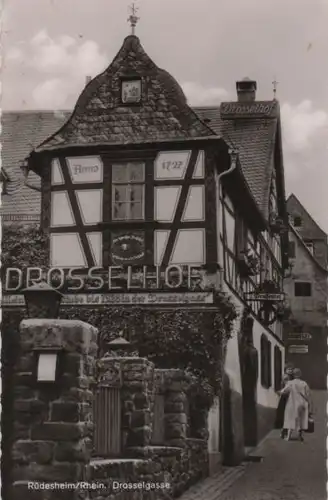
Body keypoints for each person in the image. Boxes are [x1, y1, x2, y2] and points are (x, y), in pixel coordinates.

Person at [280, 368, 312, 441]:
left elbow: (284, 391)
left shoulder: (290, 383)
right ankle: (299, 436)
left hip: (293, 403)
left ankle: (288, 436)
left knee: (290, 419)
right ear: (300, 375)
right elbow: (308, 394)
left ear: (293, 375)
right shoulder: (304, 383)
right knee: (301, 420)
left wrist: (280, 392)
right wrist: (309, 405)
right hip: (303, 403)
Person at [275, 364, 294, 438]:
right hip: (285, 398)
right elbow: (286, 387)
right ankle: (284, 431)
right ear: (285, 370)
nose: (290, 370)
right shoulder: (286, 377)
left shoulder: (291, 378)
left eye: (291, 369)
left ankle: (284, 431)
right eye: (288, 369)